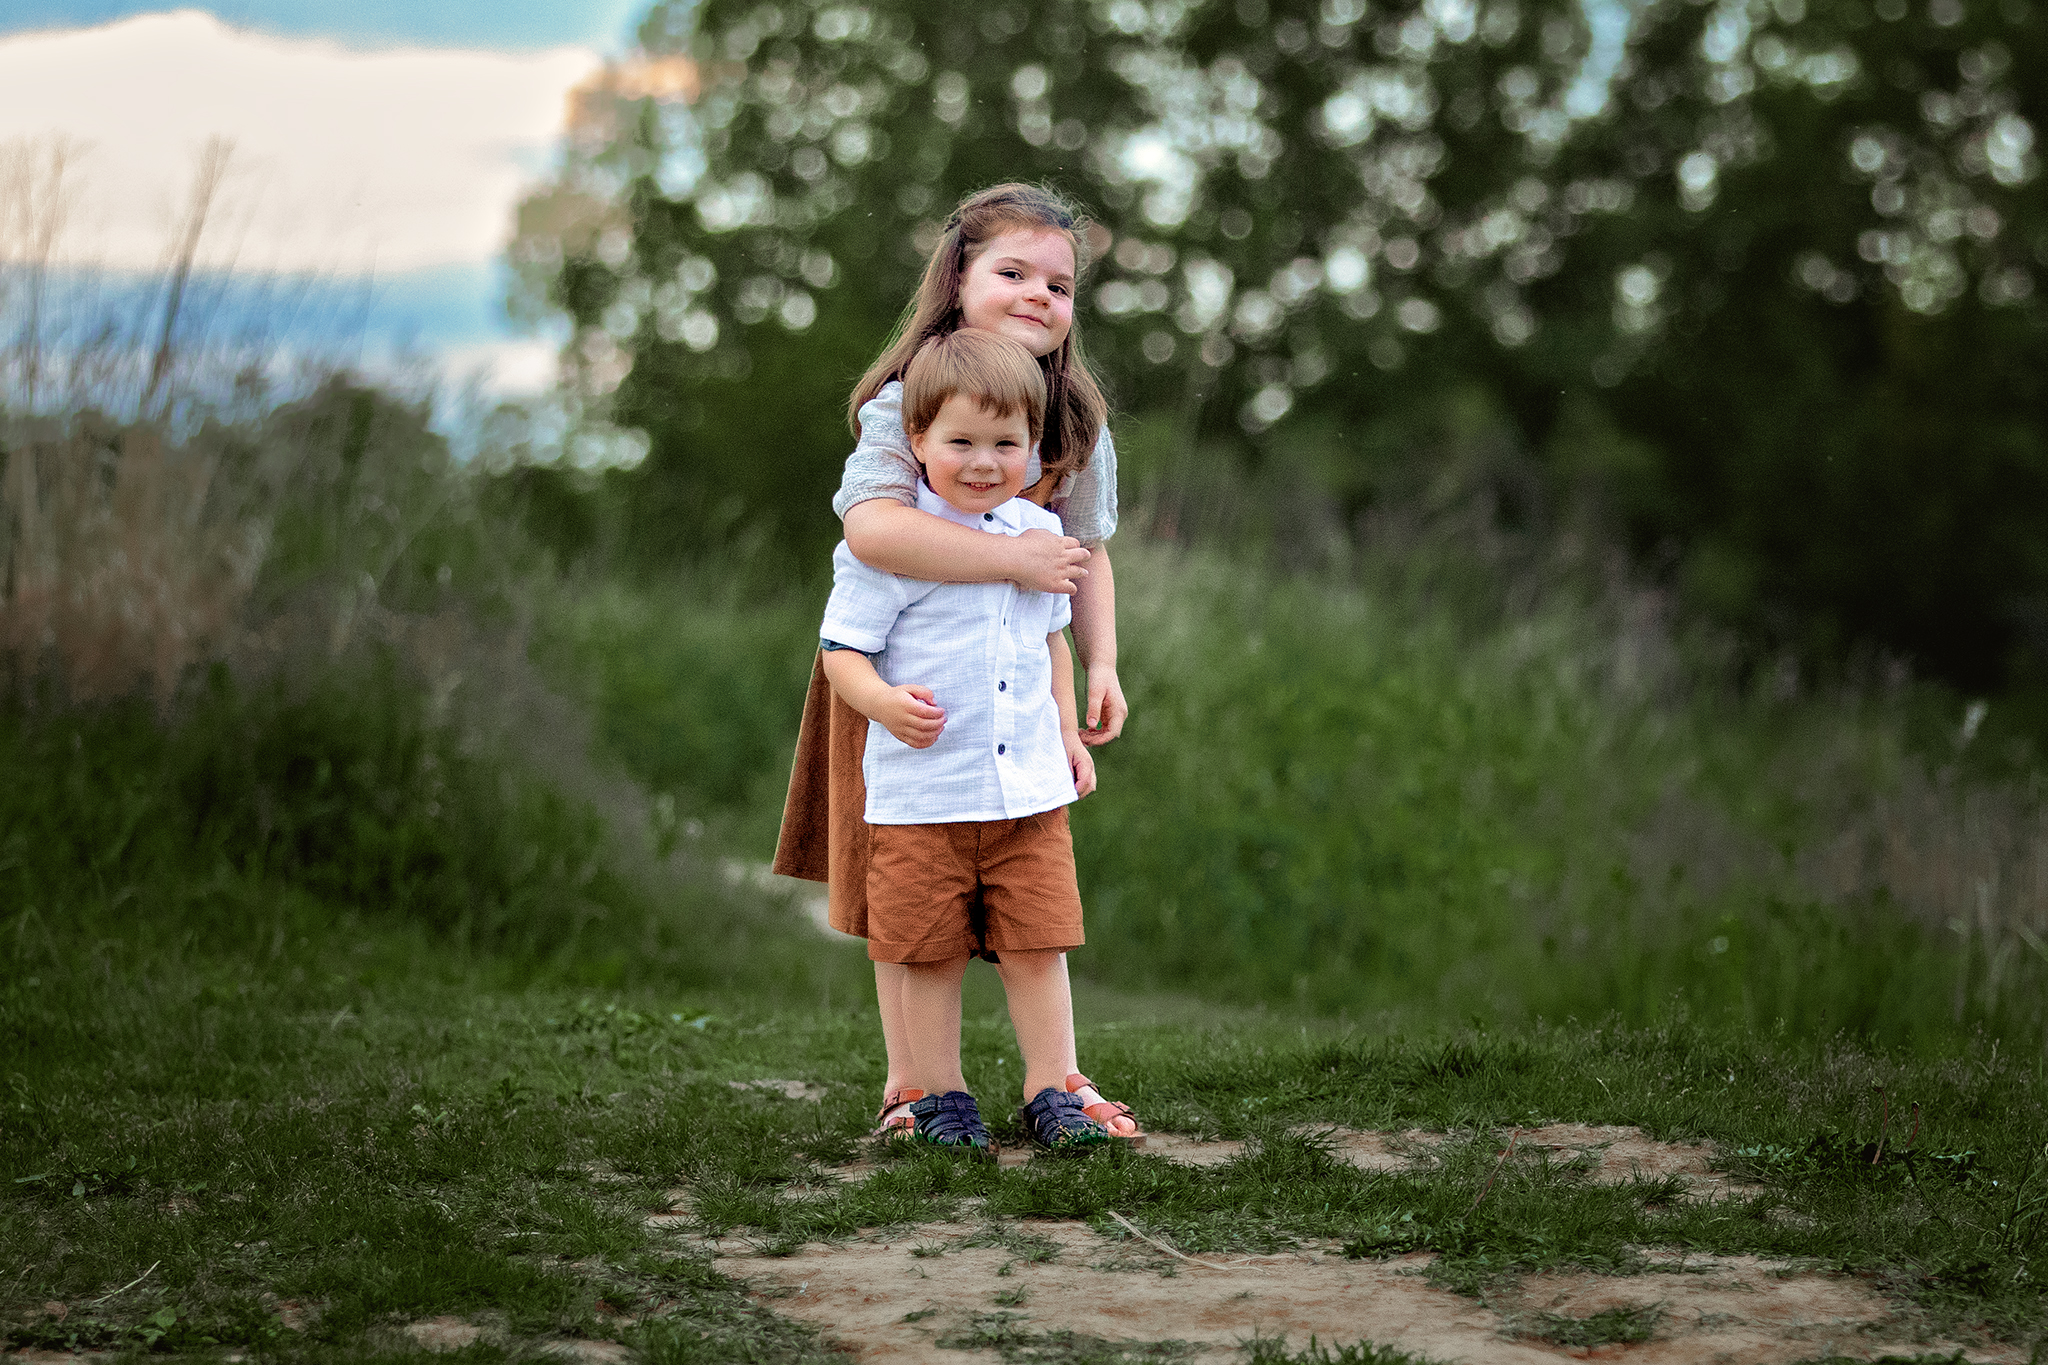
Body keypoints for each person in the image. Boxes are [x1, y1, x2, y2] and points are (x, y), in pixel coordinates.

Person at [773, 183, 1140, 1145]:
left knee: (1031, 909)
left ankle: (1054, 1080)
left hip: (1018, 668)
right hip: (902, 678)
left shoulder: (1074, 416)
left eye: (1058, 284)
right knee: (903, 899)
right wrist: (1011, 558)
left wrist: (1099, 661)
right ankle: (916, 1086)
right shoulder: (908, 399)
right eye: (1012, 272)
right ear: (958, 279)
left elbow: (1084, 551)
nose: (1037, 295)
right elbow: (875, 530)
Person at [817, 328, 1108, 1152]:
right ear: (916, 440)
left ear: (1034, 447)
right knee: (928, 952)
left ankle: (1052, 1088)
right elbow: (841, 651)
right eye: (961, 442)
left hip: (1028, 797)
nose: (984, 462)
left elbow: (1050, 641)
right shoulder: (897, 542)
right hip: (923, 796)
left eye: (1006, 444)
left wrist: (1067, 733)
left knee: (1038, 943)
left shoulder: (1039, 533)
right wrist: (882, 702)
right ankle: (939, 1094)